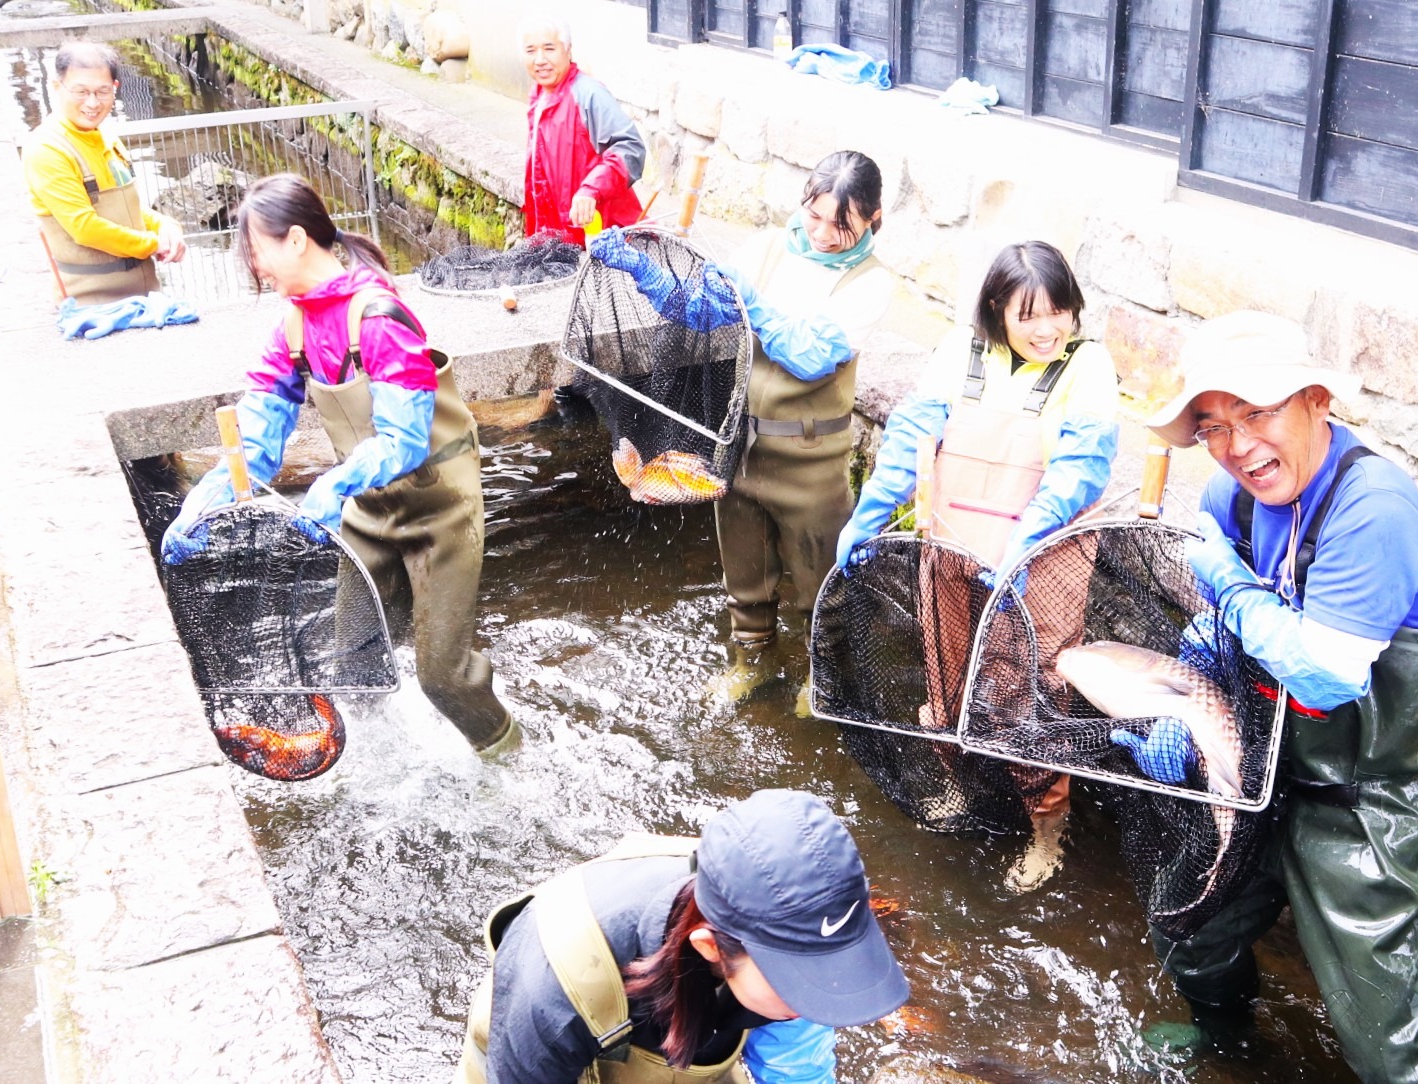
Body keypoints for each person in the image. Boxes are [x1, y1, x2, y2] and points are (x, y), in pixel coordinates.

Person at [1135, 311, 1418, 1083]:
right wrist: (1183, 693)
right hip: (1267, 763)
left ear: (1316, 400)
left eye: (1257, 412)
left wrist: (1230, 585)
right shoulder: (1233, 497)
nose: (1236, 446)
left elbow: (1324, 673)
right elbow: (1219, 628)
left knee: (1388, 1039)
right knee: (1187, 927)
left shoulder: (1371, 508)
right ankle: (1227, 1044)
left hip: (1375, 794)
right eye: (1213, 427)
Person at [159, 174, 514, 753]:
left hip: (441, 510)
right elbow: (258, 440)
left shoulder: (379, 317)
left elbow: (404, 440)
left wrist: (331, 485)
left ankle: (507, 759)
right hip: (369, 511)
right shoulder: (294, 328)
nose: (254, 266)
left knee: (443, 679)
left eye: (257, 250)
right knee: (354, 666)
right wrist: (209, 498)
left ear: (297, 240)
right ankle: (382, 767)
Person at [834, 241, 1119, 891]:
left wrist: (1024, 542)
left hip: (1037, 564)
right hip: (953, 549)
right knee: (948, 682)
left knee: (1024, 697)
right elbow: (911, 436)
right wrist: (868, 514)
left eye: (1059, 311)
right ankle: (964, 786)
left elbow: (1080, 468)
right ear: (995, 310)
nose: (1047, 329)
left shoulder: (1088, 368)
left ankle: (1048, 828)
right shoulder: (958, 353)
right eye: (1028, 315)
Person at [454, 788, 909, 1084]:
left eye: (831, 971)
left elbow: (797, 1068)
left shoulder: (798, 932)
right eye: (799, 982)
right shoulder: (553, 993)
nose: (824, 996)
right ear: (710, 947)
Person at [708, 150, 894, 709]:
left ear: (873, 219)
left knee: (823, 585)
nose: (822, 234)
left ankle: (825, 679)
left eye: (842, 225)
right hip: (742, 445)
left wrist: (754, 304)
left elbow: (810, 357)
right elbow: (713, 312)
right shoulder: (767, 248)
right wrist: (661, 280)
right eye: (814, 215)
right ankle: (753, 663)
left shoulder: (871, 283)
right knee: (745, 575)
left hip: (810, 460)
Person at [22, 41, 187, 304]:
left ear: (115, 88)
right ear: (57, 87)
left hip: (142, 292)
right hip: (93, 302)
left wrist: (167, 226)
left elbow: (128, 208)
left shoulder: (105, 137)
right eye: (81, 91)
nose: (92, 102)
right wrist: (154, 243)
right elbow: (84, 228)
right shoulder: (47, 149)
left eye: (102, 91)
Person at [521, 13, 645, 246]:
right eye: (530, 51)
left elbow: (630, 148)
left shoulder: (588, 94)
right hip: (558, 236)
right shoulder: (538, 95)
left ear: (568, 50)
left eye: (549, 49)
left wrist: (591, 189)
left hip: (600, 234)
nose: (540, 60)